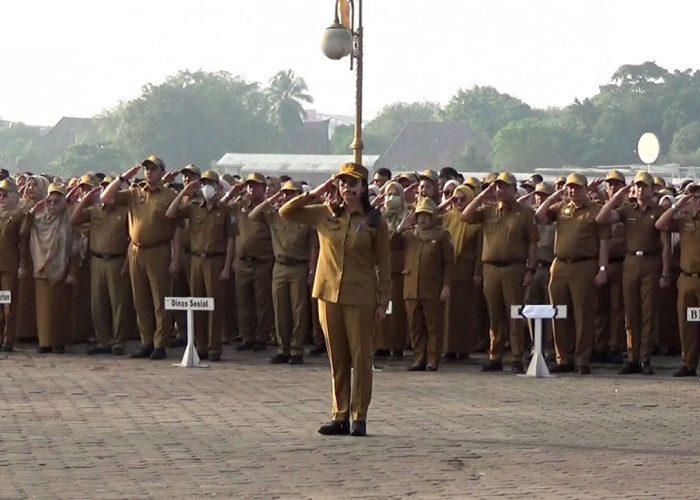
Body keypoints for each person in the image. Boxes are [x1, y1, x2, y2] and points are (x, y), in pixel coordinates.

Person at [279, 162, 391, 437]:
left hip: (361, 295)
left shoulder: (375, 221)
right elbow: (287, 211)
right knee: (337, 358)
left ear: (363, 188)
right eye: (342, 182)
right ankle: (340, 414)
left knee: (361, 357)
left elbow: (384, 263)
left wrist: (382, 300)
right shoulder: (325, 214)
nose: (346, 188)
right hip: (328, 294)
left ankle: (359, 416)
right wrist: (318, 191)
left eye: (352, 183)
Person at [101, 155, 181, 360]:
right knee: (140, 299)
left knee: (160, 300)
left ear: (162, 172)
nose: (149, 172)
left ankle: (160, 343)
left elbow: (178, 229)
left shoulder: (169, 195)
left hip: (159, 250)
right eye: (147, 168)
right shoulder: (134, 192)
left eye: (154, 169)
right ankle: (146, 341)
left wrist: (176, 257)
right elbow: (106, 198)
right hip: (136, 250)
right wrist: (122, 178)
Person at [461, 172, 538, 373]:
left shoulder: (524, 212)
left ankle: (517, 356)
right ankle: (495, 356)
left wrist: (530, 269)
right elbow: (465, 216)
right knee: (494, 315)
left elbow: (532, 242)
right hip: (491, 268)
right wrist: (483, 195)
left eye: (504, 187)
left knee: (515, 314)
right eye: (497, 187)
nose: (500, 190)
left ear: (514, 189)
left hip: (515, 267)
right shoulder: (488, 210)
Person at [535, 173, 611, 375]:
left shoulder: (595, 211)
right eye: (570, 188)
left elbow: (604, 243)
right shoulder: (561, 207)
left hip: (584, 265)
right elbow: (539, 217)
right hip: (559, 264)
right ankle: (563, 358)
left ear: (586, 190)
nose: (572, 191)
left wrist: (602, 269)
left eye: (577, 188)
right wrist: (554, 196)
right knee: (558, 312)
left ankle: (582, 359)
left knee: (583, 314)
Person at [597, 171, 670, 375]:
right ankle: (632, 356)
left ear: (651, 189)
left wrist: (665, 272)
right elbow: (601, 218)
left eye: (644, 186)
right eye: (637, 186)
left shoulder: (658, 210)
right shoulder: (627, 209)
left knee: (647, 312)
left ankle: (645, 357)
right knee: (630, 312)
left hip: (651, 261)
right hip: (631, 261)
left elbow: (665, 245)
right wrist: (617, 196)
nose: (640, 189)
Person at [166, 170, 235, 361]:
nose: (206, 187)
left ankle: (214, 347)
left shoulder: (225, 210)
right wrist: (184, 191)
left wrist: (227, 266)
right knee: (197, 303)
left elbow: (231, 239)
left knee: (215, 305)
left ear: (218, 187)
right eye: (203, 183)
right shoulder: (193, 207)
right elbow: (170, 213)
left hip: (216, 259)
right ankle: (201, 345)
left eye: (210, 183)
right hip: (196, 260)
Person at [249, 179, 314, 365]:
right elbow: (253, 216)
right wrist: (271, 199)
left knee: (298, 311)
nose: (287, 197)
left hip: (299, 266)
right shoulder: (274, 214)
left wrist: (312, 270)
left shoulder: (306, 217)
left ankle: (296, 350)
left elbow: (313, 247)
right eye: (285, 193)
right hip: (279, 266)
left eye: (292, 194)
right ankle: (282, 349)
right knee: (280, 310)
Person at [71, 178, 131, 355]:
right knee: (98, 303)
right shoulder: (95, 211)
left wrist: (127, 263)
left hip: (117, 259)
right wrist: (85, 200)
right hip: (97, 259)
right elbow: (73, 219)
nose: (108, 194)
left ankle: (118, 342)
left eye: (112, 190)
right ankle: (103, 340)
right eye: (104, 189)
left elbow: (131, 239)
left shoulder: (125, 212)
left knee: (118, 303)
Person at [394, 197, 453, 371]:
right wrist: (400, 228)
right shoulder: (409, 235)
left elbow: (449, 263)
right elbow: (390, 245)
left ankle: (432, 359)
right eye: (419, 215)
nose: (422, 219)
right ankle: (418, 358)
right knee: (415, 325)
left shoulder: (442, 235)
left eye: (426, 215)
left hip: (433, 287)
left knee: (433, 325)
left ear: (433, 216)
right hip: (411, 287)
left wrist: (446, 286)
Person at [21, 183, 77, 353]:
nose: (52, 205)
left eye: (57, 202)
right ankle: (45, 342)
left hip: (61, 270)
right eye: (50, 201)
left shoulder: (69, 222)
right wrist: (32, 213)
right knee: (43, 310)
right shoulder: (39, 220)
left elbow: (76, 249)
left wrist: (72, 272)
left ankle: (59, 342)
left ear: (64, 203)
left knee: (60, 309)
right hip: (41, 270)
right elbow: (23, 233)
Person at [655, 181, 700, 377]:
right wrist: (678, 205)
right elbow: (660, 224)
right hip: (688, 279)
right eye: (696, 197)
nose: (698, 201)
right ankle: (688, 363)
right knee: (688, 322)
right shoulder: (685, 218)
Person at [227, 172, 274, 352]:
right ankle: (247, 336)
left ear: (263, 188)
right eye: (249, 185)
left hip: (262, 262)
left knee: (262, 303)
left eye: (255, 186)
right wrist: (233, 191)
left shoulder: (268, 209)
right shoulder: (240, 205)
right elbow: (220, 206)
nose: (251, 189)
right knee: (243, 302)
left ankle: (261, 337)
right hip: (242, 261)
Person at [442, 185, 481, 360]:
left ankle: (463, 348)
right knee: (448, 314)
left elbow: (480, 251)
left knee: (465, 312)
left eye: (462, 199)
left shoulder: (476, 223)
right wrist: (445, 205)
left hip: (467, 271)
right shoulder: (448, 218)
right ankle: (448, 348)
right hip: (449, 271)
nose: (458, 202)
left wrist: (477, 273)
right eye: (455, 199)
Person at [593, 170, 627, 364]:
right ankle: (600, 345)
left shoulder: (627, 209)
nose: (612, 187)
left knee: (617, 308)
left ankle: (615, 346)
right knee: (599, 308)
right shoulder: (601, 207)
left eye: (616, 184)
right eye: (609, 184)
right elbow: (600, 218)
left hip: (621, 263)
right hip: (601, 263)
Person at [374, 181, 409, 359]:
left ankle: (397, 345)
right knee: (383, 307)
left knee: (397, 310)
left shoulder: (407, 215)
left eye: (395, 194)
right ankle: (381, 343)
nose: (391, 198)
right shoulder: (381, 216)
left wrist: (401, 228)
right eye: (388, 194)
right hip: (380, 267)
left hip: (398, 268)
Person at [0, 178, 25, 351]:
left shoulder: (19, 215)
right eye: (0, 195)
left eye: (5, 194)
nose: (1, 198)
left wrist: (22, 265)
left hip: (8, 268)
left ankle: (8, 339)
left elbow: (22, 243)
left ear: (15, 196)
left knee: (7, 304)